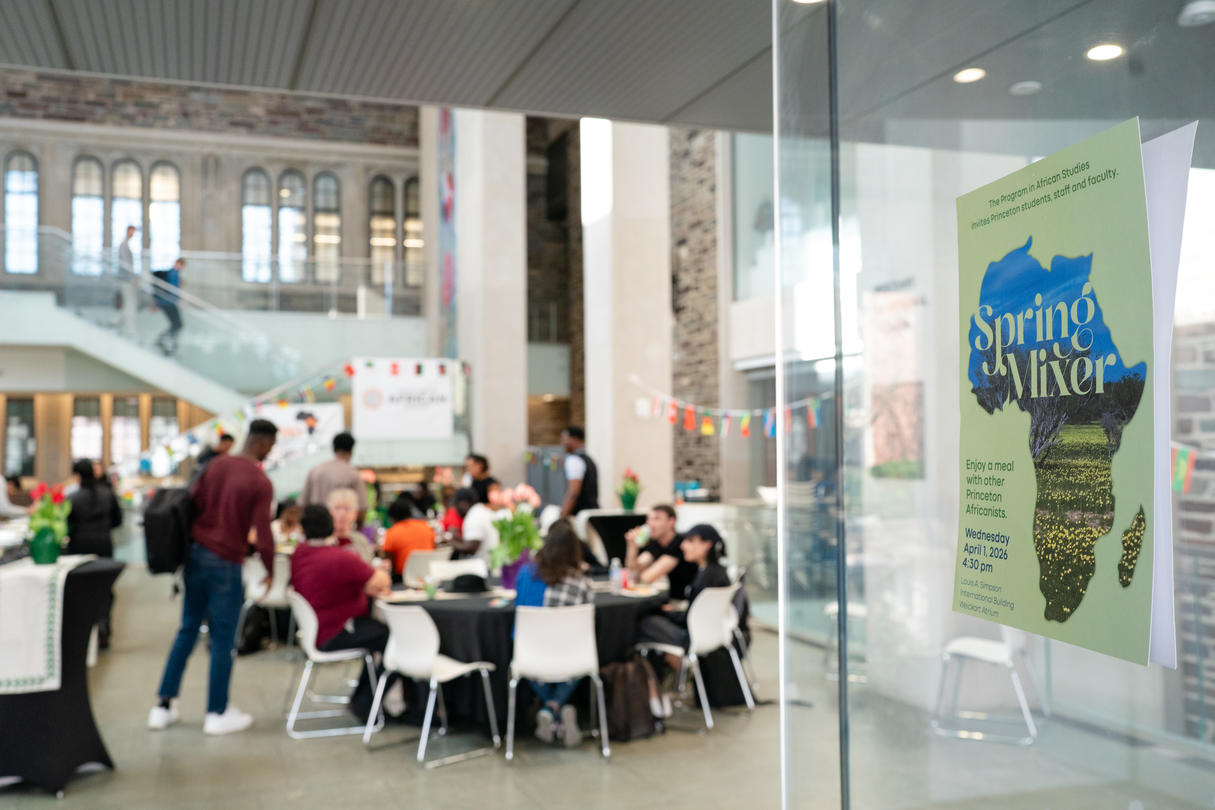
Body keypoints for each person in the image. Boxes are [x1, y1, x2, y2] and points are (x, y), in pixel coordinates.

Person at [148, 419, 278, 736]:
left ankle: (163, 707)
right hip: (226, 562)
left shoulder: (215, 465)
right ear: (262, 442)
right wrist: (270, 570)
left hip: (195, 555)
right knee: (222, 639)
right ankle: (217, 712)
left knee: (187, 629)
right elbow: (263, 535)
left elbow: (193, 504)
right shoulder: (259, 481)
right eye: (272, 446)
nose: (271, 452)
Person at [290, 504, 392, 719]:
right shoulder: (339, 558)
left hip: (317, 630)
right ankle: (366, 703)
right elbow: (381, 580)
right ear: (331, 526)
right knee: (394, 640)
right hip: (335, 631)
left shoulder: (300, 554)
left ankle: (364, 700)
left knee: (380, 635)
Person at [513, 519, 593, 747]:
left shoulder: (526, 574)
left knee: (525, 658)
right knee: (582, 654)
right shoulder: (580, 582)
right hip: (572, 656)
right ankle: (558, 707)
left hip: (532, 654)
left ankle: (549, 708)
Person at [636, 524, 732, 676]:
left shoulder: (707, 578)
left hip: (691, 637)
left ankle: (654, 682)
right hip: (710, 634)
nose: (683, 545)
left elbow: (690, 617)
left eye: (690, 541)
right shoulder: (717, 572)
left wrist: (667, 613)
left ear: (706, 545)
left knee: (642, 623)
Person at [66, 459, 123, 648]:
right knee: (105, 587)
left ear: (78, 476)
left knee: (82, 588)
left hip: (80, 546)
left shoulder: (73, 498)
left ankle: (85, 631)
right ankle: (104, 626)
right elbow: (118, 520)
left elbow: (68, 525)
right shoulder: (108, 494)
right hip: (104, 543)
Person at [625, 504, 698, 598]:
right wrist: (632, 547)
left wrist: (635, 576)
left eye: (656, 519)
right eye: (649, 519)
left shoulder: (680, 544)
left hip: (682, 601)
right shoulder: (656, 543)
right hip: (667, 598)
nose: (650, 524)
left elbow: (646, 578)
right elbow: (633, 570)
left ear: (671, 521)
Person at [300, 432, 367, 517]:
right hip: (340, 526)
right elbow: (361, 507)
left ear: (333, 449)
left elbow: (302, 503)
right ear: (351, 450)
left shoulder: (315, 471)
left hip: (315, 525)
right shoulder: (353, 474)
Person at [381, 494, 435, 580]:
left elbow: (390, 563)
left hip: (402, 578)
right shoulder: (426, 527)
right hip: (427, 576)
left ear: (392, 517)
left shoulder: (392, 532)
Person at [443, 487, 498, 566]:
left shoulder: (474, 516)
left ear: (464, 503)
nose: (456, 510)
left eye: (456, 505)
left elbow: (471, 548)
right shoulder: (481, 510)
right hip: (489, 564)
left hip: (481, 568)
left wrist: (450, 542)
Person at [559, 426, 599, 518]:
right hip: (592, 513)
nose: (563, 443)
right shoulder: (588, 459)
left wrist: (562, 517)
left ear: (575, 439)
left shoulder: (574, 460)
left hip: (580, 516)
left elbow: (573, 493)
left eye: (565, 439)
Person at [328, 487, 375, 564]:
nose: (342, 514)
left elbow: (368, 566)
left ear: (355, 514)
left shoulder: (361, 541)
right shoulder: (322, 542)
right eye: (337, 508)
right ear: (329, 512)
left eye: (347, 508)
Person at [152, 257, 185, 356]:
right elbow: (173, 289)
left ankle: (164, 340)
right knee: (177, 324)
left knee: (176, 324)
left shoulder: (172, 273)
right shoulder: (173, 273)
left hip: (166, 302)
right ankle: (167, 342)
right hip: (168, 302)